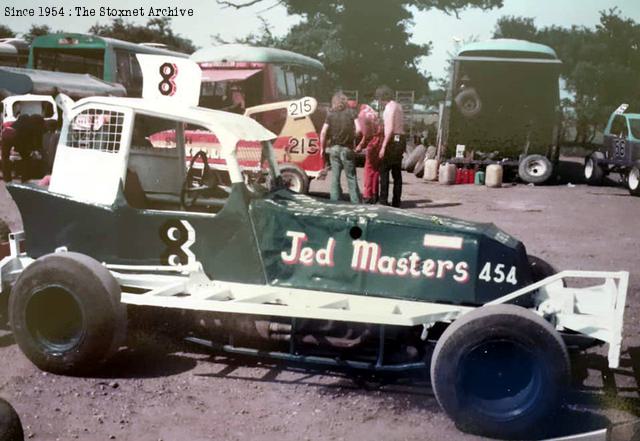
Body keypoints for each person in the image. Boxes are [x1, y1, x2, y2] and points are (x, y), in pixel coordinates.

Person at [320, 91, 361, 203]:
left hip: (334, 149)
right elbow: (359, 129)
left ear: (334, 102)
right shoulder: (352, 112)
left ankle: (335, 202)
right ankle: (356, 204)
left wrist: (322, 148)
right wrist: (353, 137)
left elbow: (323, 132)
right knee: (351, 178)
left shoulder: (330, 114)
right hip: (347, 149)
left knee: (335, 178)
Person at [376, 85, 405, 207]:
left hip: (392, 140)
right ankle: (396, 201)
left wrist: (383, 147)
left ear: (381, 98)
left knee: (384, 171)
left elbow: (389, 130)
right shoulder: (399, 107)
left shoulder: (388, 109)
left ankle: (383, 199)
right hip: (401, 138)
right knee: (397, 173)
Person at [356, 104, 382, 204]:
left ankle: (367, 196)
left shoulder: (362, 115)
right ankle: (375, 195)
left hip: (372, 144)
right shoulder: (373, 113)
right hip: (379, 142)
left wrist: (360, 145)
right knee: (375, 171)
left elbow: (366, 134)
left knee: (368, 170)